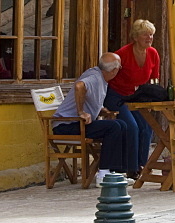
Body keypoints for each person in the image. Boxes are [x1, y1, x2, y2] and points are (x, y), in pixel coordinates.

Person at [52, 53, 129, 186]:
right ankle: (104, 174)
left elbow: (91, 98)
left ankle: (114, 171)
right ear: (114, 70)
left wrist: (102, 110)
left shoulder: (100, 76)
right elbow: (79, 86)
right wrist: (81, 112)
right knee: (114, 127)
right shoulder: (95, 77)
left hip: (77, 124)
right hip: (65, 125)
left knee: (121, 124)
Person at [106, 19, 160, 177]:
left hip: (138, 96)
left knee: (147, 126)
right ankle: (131, 167)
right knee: (132, 126)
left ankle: (142, 164)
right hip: (117, 94)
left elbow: (154, 79)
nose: (149, 38)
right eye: (145, 34)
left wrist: (150, 99)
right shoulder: (123, 54)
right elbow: (109, 77)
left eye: (151, 34)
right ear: (136, 37)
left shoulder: (153, 53)